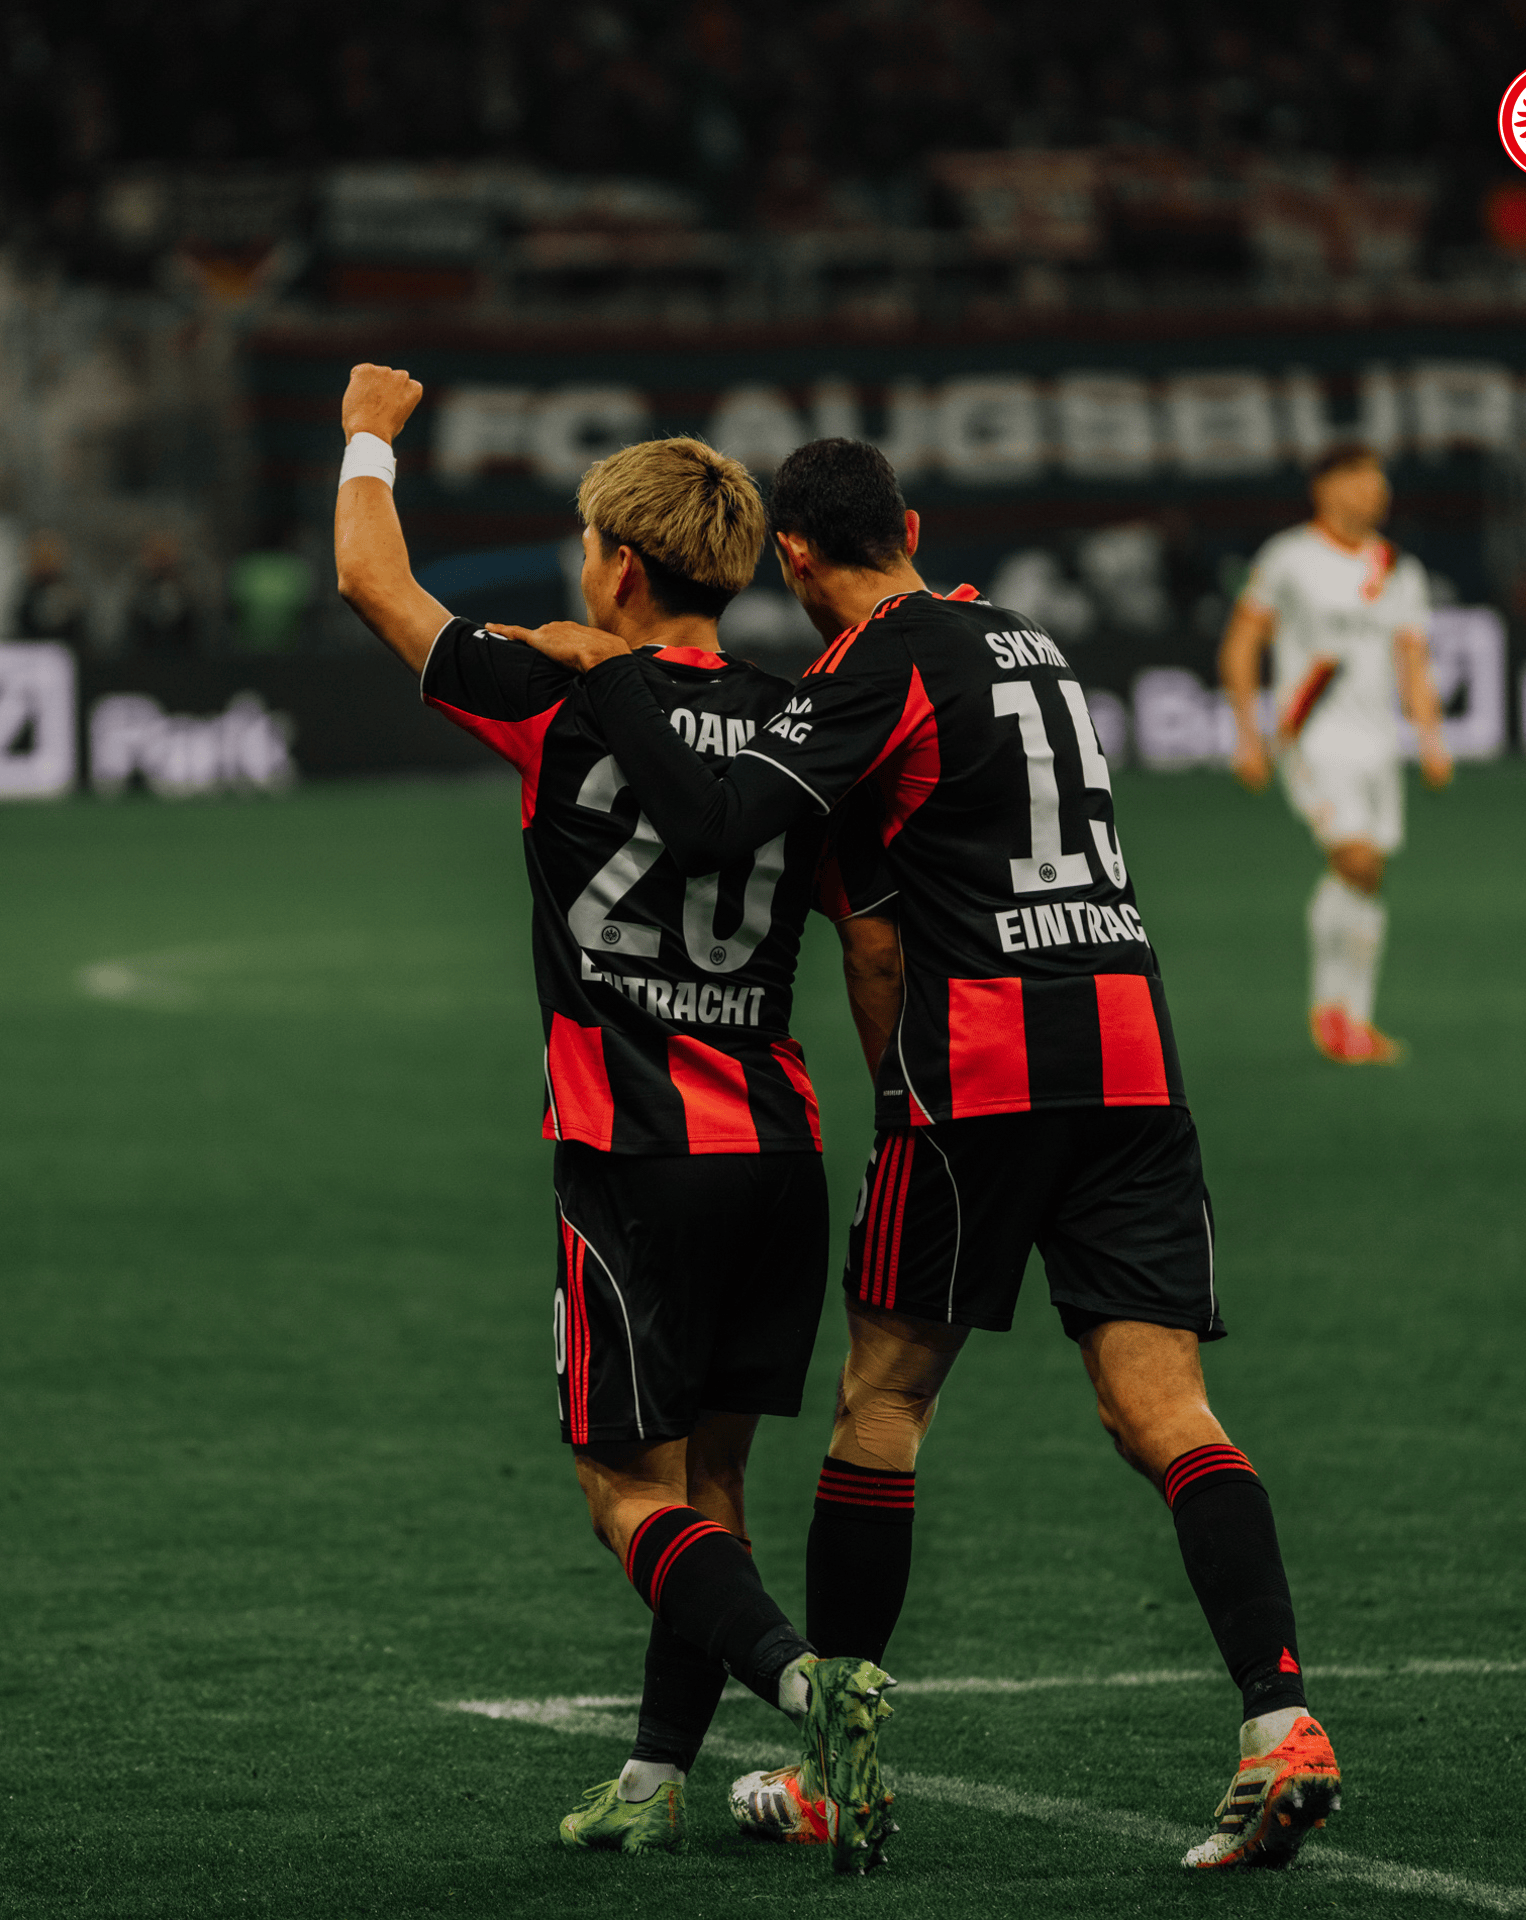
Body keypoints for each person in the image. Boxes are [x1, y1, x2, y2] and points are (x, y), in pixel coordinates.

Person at [491, 437, 1342, 1873]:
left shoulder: (871, 667)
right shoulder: (1029, 641)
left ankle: (834, 1767)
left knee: (881, 1404)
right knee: (1165, 1409)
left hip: (986, 1066)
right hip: (1132, 1045)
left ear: (794, 559)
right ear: (915, 526)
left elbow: (716, 823)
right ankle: (1281, 1721)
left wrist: (612, 673)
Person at [332, 366, 899, 1876]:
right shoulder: (801, 726)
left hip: (635, 1155)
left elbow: (373, 580)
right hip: (779, 1146)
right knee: (713, 1488)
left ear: (624, 566)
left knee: (625, 1497)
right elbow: (873, 938)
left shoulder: (563, 693)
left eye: (591, 545)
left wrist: (369, 430)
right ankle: (654, 1777)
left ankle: (804, 1684)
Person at [1220, 444, 1453, 1064]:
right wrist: (1247, 734)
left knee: (1370, 874)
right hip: (1313, 738)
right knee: (1355, 860)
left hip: (1378, 744)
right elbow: (1242, 643)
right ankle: (1332, 1013)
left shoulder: (1397, 568)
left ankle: (1354, 1020)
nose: (1377, 493)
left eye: (1380, 483)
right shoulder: (1288, 558)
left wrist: (1431, 740)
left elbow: (1413, 660)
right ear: (1326, 488)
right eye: (1363, 481)